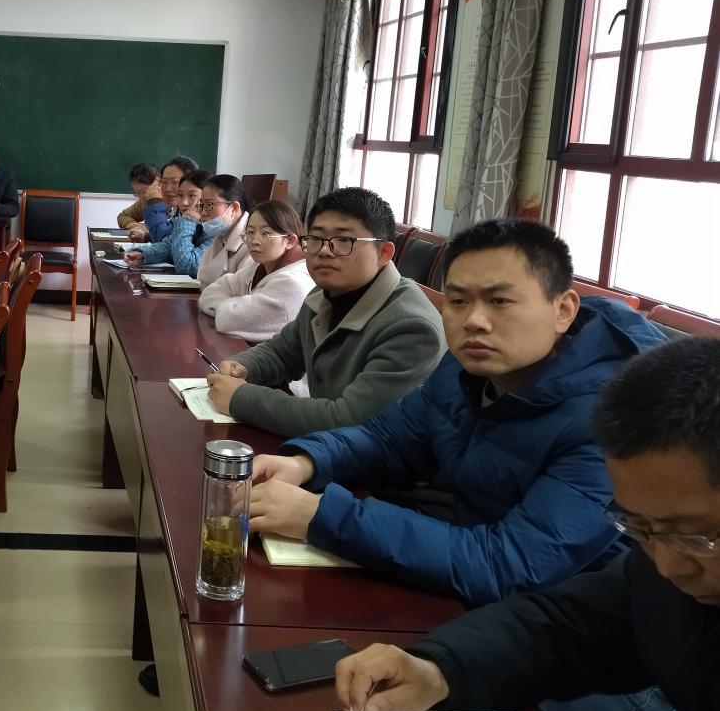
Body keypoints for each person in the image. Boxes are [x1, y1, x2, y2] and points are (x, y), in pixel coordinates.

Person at [247, 219, 668, 609]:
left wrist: (320, 515)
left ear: (563, 310)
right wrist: (305, 462)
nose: (475, 321)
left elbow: (511, 566)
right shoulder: (466, 367)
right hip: (464, 573)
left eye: (499, 301)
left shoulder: (615, 419)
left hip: (573, 623)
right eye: (458, 301)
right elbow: (388, 438)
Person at [334, 336, 717, 711]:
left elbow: (507, 565)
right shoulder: (660, 557)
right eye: (639, 526)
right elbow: (567, 627)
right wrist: (440, 668)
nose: (667, 565)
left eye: (694, 537)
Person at [205, 187, 443, 437]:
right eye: (316, 238)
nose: (325, 250)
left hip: (371, 458)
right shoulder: (323, 294)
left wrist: (241, 398)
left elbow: (350, 421)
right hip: (323, 449)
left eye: (344, 240)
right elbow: (283, 352)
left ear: (383, 253)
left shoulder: (412, 328)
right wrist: (243, 365)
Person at [197, 200, 313, 343]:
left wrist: (231, 308)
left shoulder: (292, 283)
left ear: (290, 241)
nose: (254, 241)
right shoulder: (260, 266)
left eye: (265, 233)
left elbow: (229, 321)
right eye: (250, 232)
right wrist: (236, 308)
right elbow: (209, 293)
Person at [124, 169, 211, 276]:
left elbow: (187, 267)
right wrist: (142, 255)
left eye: (192, 196)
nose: (184, 202)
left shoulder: (213, 230)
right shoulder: (191, 222)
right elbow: (166, 247)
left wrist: (187, 221)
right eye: (180, 195)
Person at [194, 174, 252, 288]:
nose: (203, 213)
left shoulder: (251, 244)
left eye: (209, 204)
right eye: (202, 205)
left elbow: (240, 292)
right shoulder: (220, 239)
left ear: (234, 208)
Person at [140, 155, 197, 244]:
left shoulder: (198, 214)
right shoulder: (176, 210)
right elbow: (171, 238)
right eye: (164, 182)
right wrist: (148, 237)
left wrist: (154, 202)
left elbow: (164, 241)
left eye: (175, 182)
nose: (168, 189)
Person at [116, 162, 158, 235]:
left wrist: (148, 232)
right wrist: (134, 225)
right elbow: (123, 216)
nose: (142, 197)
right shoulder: (143, 202)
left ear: (158, 184)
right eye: (138, 193)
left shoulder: (172, 203)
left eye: (144, 192)